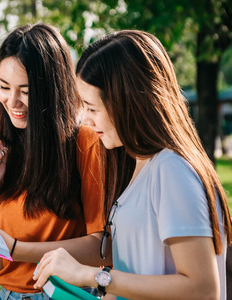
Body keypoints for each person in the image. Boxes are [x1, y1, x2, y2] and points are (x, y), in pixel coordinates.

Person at [33, 30, 232, 300]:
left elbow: (203, 289)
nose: (85, 121)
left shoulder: (171, 170)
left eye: (92, 108)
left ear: (126, 103)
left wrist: (92, 276)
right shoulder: (136, 165)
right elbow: (142, 272)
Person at [0, 23, 107, 300]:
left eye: (25, 91)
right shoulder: (3, 144)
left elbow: (100, 248)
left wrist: (16, 249)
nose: (12, 102)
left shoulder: (85, 143)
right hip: (7, 295)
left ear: (51, 89)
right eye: (3, 87)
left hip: (62, 295)